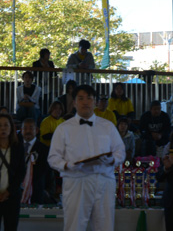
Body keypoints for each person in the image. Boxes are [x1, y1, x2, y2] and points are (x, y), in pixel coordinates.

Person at [48, 84, 125, 231]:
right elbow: (53, 157)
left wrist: (112, 160)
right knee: (74, 226)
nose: (85, 102)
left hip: (104, 180)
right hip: (76, 181)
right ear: (74, 103)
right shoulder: (63, 128)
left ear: (95, 102)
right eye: (81, 98)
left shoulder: (108, 126)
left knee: (105, 226)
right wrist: (67, 165)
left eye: (89, 98)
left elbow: (120, 151)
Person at [20, 118, 54, 204]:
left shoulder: (44, 149)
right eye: (25, 128)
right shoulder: (15, 148)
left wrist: (48, 191)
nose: (28, 131)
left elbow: (49, 172)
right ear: (21, 130)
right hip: (18, 192)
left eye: (31, 128)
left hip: (37, 192)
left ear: (37, 130)